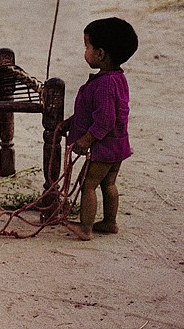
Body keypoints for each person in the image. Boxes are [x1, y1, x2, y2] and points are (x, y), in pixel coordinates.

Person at [61, 17, 138, 241]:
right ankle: (109, 222)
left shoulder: (103, 84)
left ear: (101, 53)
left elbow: (104, 119)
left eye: (87, 47)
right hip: (119, 145)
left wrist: (86, 140)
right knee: (109, 183)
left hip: (104, 147)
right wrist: (70, 122)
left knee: (88, 185)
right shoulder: (117, 78)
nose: (85, 51)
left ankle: (86, 229)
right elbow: (94, 112)